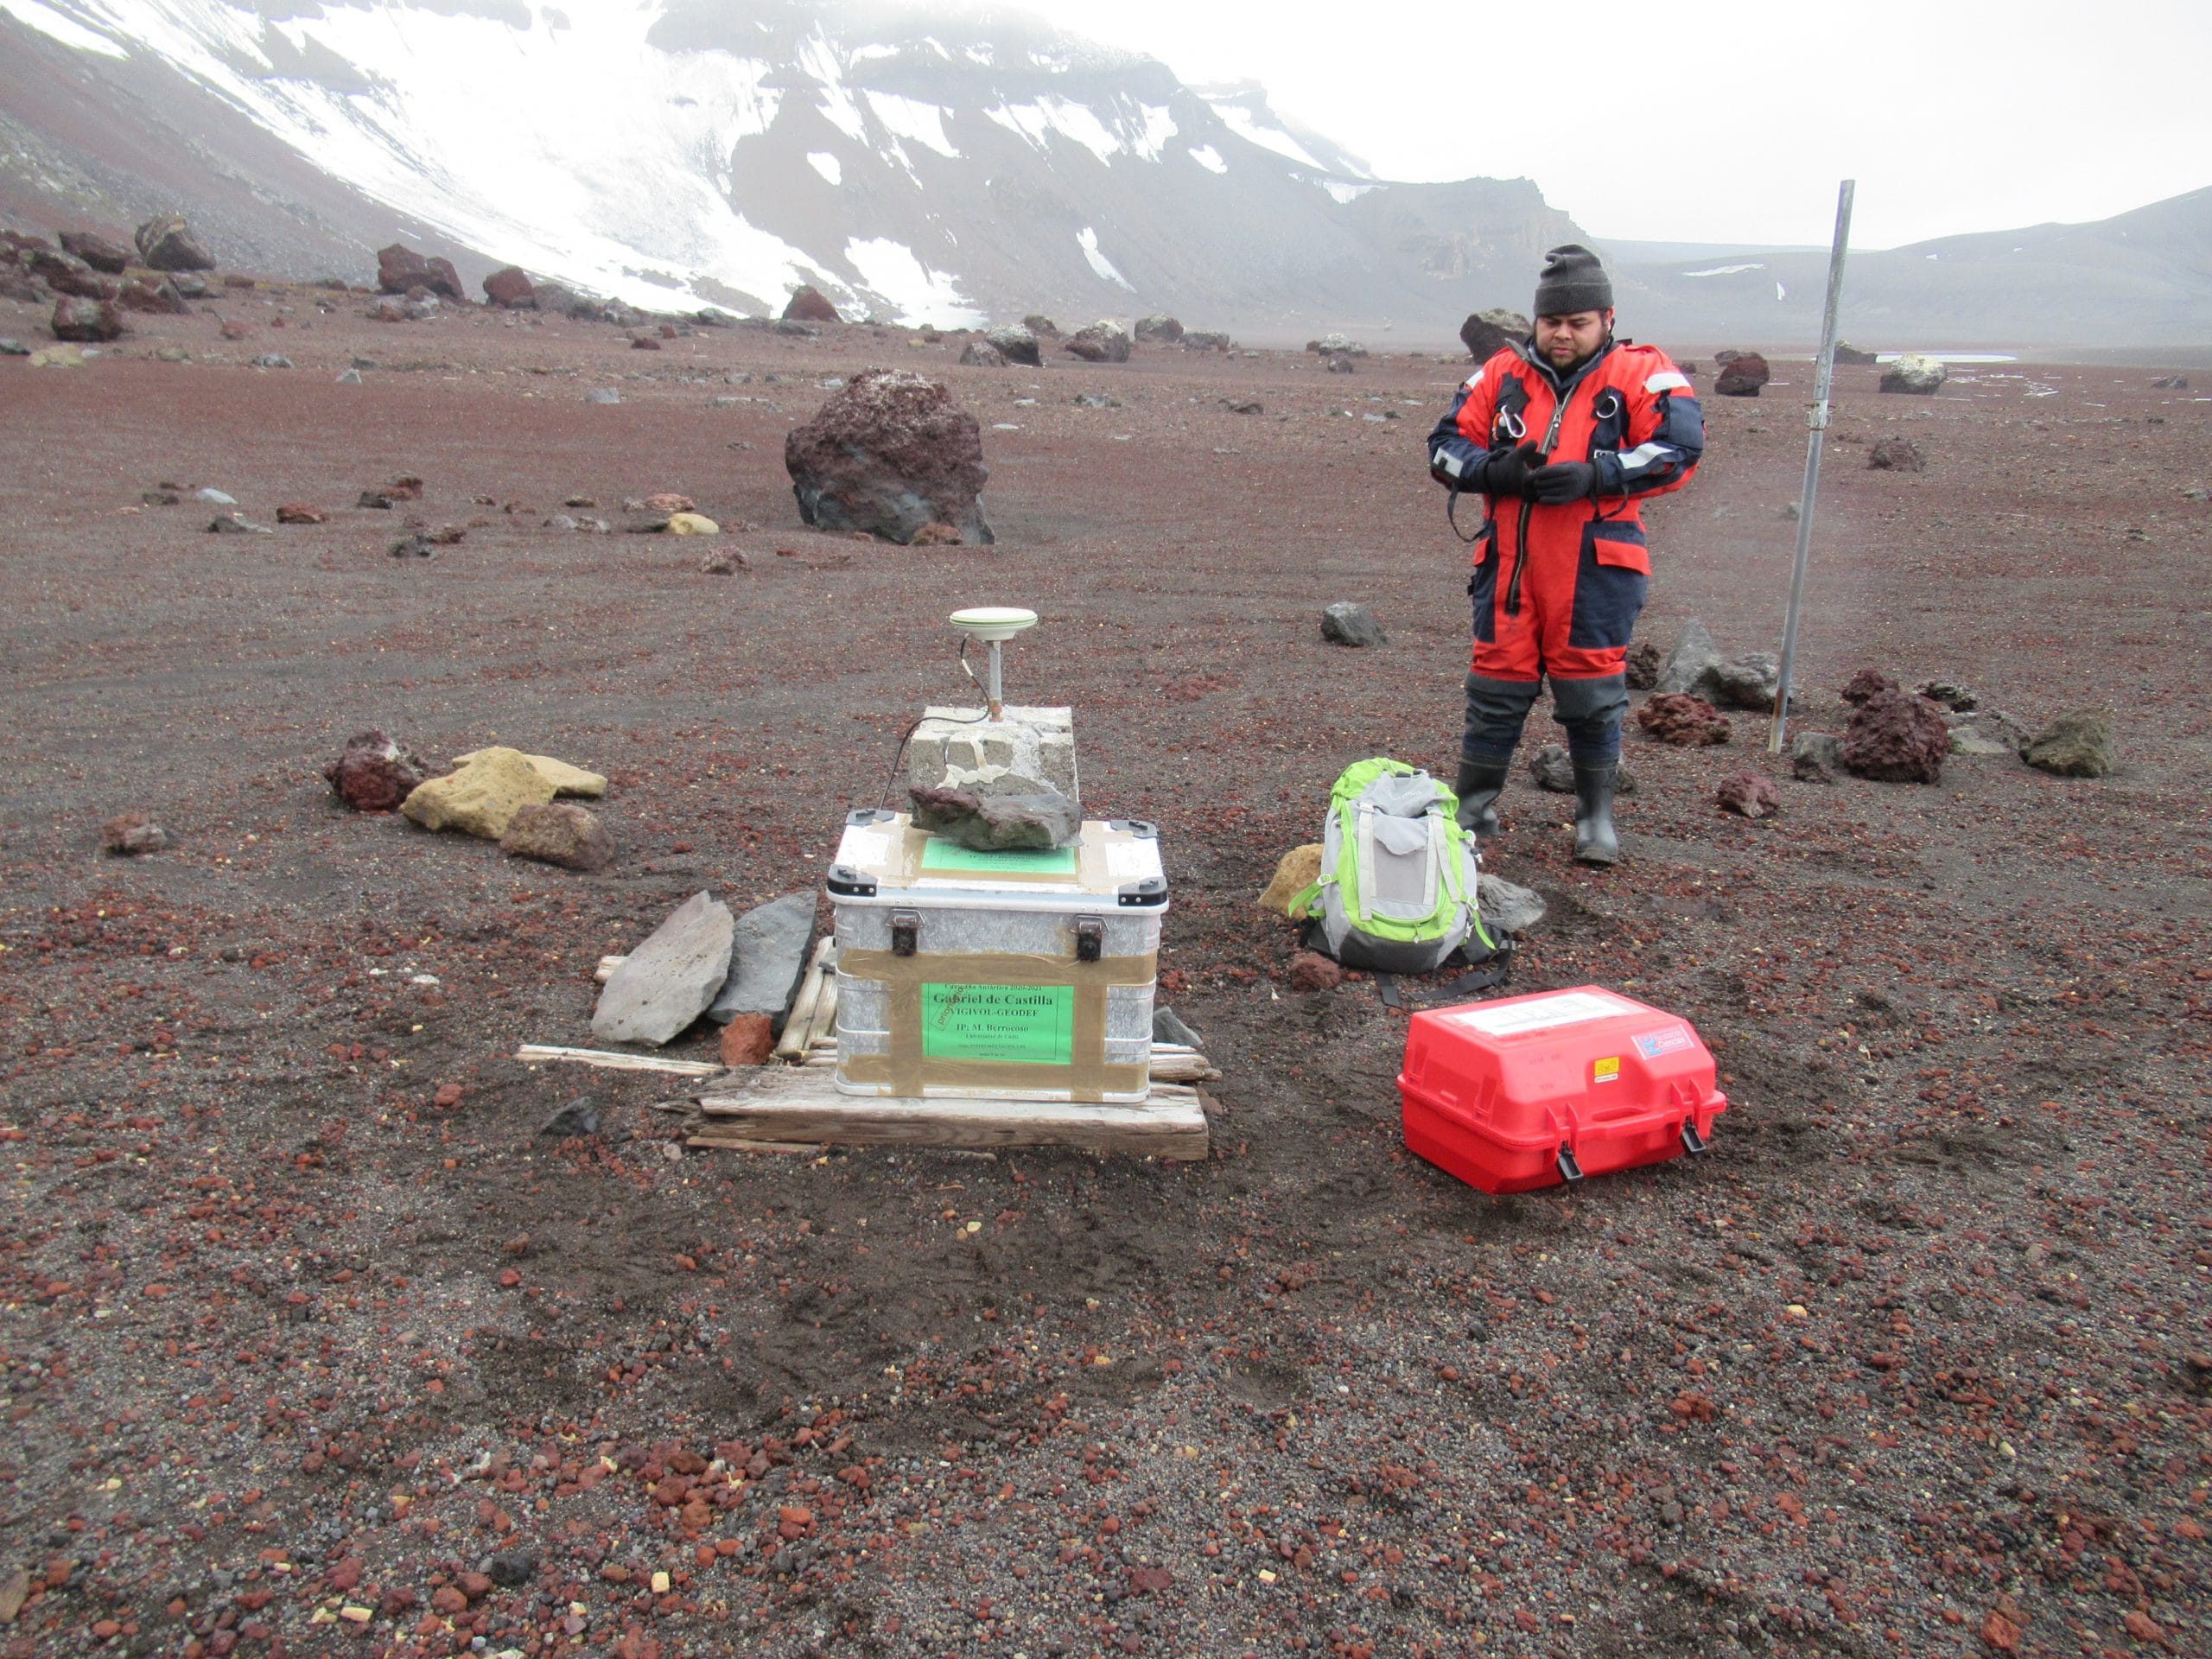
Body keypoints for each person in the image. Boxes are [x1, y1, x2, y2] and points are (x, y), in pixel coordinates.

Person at [1426, 244, 1703, 865]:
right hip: (1510, 565)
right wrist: (1495, 472)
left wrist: (1597, 475)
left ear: (1607, 317)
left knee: (1592, 691)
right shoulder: (1501, 374)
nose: (1562, 335)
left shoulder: (1643, 372)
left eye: (1578, 324)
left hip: (1597, 568)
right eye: (1552, 322)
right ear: (1536, 320)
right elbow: (1443, 446)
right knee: (1495, 685)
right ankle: (1474, 808)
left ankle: (1595, 817)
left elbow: (1680, 449)